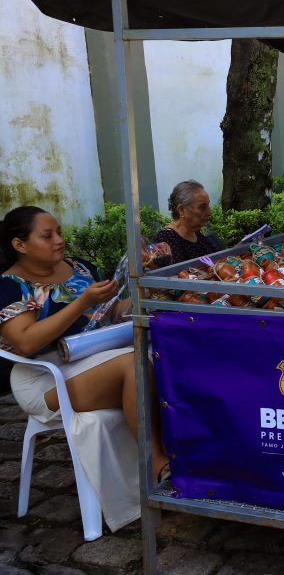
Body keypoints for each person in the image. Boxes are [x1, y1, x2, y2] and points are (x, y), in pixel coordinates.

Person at [0, 206, 171, 531]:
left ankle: (185, 456)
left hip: (91, 356)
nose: (59, 241)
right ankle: (158, 467)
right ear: (20, 245)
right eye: (47, 235)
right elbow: (24, 342)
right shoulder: (11, 285)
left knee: (159, 356)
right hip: (42, 376)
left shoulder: (78, 268)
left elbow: (110, 314)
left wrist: (143, 281)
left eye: (59, 232)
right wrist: (82, 302)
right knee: (132, 364)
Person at [154, 180, 220, 264]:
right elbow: (175, 273)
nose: (209, 212)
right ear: (181, 210)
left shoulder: (197, 234)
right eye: (202, 207)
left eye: (208, 205)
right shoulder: (167, 239)